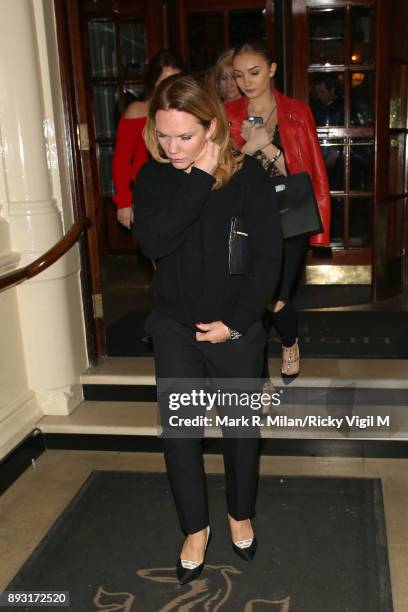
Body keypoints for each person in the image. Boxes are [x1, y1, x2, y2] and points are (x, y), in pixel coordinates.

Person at [133, 74, 282, 584]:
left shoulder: (248, 178)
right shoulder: (155, 178)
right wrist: (196, 175)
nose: (173, 147)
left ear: (212, 126)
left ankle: (240, 514)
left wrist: (237, 324)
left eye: (186, 136)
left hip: (235, 329)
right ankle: (195, 529)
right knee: (180, 436)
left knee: (241, 433)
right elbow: (154, 240)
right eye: (165, 135)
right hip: (175, 326)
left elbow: (268, 261)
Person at [225, 39, 331, 378]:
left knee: (277, 298)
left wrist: (265, 145)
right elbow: (223, 173)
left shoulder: (297, 112)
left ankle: (289, 341)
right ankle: (258, 376)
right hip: (247, 217)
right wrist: (244, 147)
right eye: (239, 75)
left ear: (272, 69)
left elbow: (304, 176)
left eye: (254, 72)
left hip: (289, 217)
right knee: (253, 297)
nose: (246, 82)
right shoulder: (227, 115)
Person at [112, 50, 185, 229]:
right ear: (153, 81)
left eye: (175, 82)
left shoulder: (187, 112)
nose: (169, 88)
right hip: (148, 193)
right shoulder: (137, 110)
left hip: (182, 190)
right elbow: (121, 160)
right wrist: (124, 202)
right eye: (163, 82)